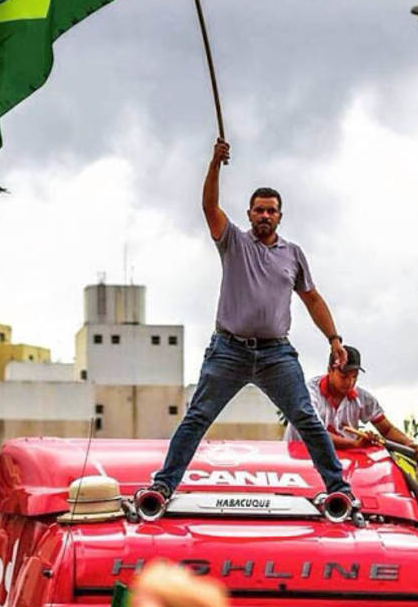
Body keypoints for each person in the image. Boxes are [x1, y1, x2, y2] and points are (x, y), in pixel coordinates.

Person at [146, 137, 362, 521]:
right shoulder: (233, 242)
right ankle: (164, 485)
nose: (265, 216)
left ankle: (339, 490)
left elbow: (312, 298)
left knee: (307, 418)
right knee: (197, 417)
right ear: (249, 214)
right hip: (229, 350)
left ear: (280, 216)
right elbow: (209, 206)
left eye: (272, 211)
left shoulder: (293, 255)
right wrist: (214, 162)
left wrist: (334, 339)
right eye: (259, 210)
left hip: (276, 354)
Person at [284, 345, 418, 460]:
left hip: (336, 462)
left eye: (354, 376)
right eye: (344, 376)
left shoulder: (363, 399)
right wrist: (354, 444)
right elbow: (316, 434)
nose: (350, 382)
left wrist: (409, 444)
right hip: (298, 461)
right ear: (330, 370)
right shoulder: (309, 394)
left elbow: (387, 430)